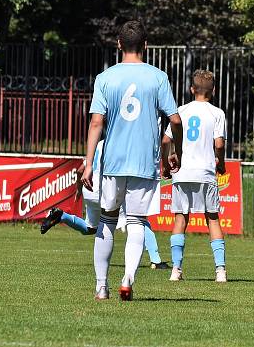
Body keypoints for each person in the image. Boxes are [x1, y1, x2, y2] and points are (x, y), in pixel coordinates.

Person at [81, 20, 183, 301]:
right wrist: (177, 150)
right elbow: (175, 119)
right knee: (137, 221)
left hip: (113, 162)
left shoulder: (105, 78)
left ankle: (102, 286)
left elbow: (96, 122)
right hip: (143, 163)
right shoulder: (158, 77)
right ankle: (128, 277)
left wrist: (89, 162)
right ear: (146, 46)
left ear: (118, 44)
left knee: (107, 221)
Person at [40, 138, 171, 269]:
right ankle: (156, 260)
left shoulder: (99, 144)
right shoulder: (120, 143)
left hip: (90, 190)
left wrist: (79, 190)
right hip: (107, 189)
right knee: (138, 219)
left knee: (90, 228)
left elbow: (80, 170)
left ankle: (62, 216)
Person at [161, 69, 228, 283]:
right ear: (214, 91)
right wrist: (222, 164)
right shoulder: (217, 113)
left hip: (183, 172)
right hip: (206, 172)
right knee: (213, 219)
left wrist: (166, 163)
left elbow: (165, 141)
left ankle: (176, 270)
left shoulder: (180, 110)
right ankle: (220, 271)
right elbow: (219, 144)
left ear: (192, 89)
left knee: (181, 219)